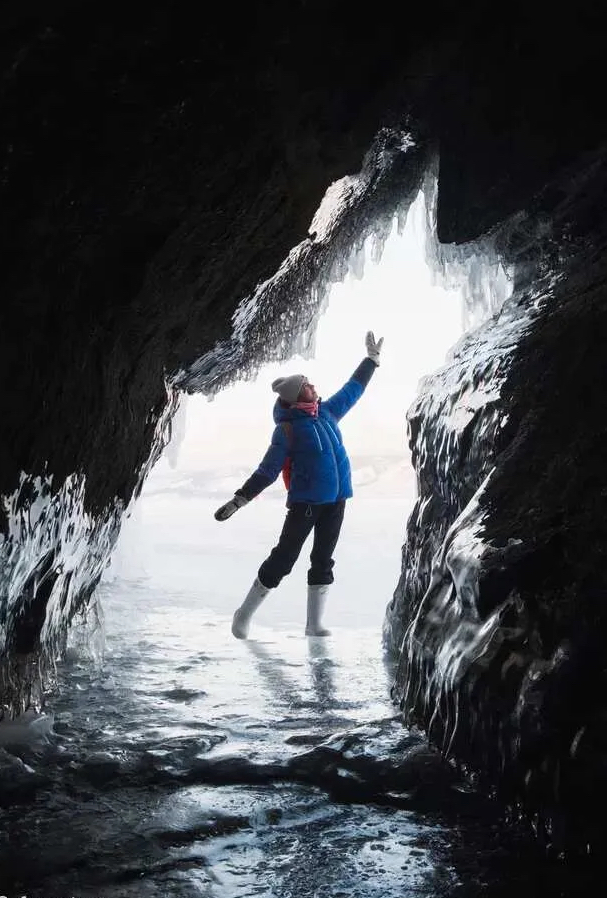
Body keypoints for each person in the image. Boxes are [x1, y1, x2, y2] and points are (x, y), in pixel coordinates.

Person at [214, 331, 383, 638]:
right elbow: (267, 470)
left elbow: (352, 390)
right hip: (305, 504)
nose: (313, 387)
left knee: (323, 560)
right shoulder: (287, 430)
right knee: (284, 559)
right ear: (295, 396)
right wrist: (240, 499)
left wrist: (370, 362)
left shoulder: (328, 413)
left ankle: (314, 625)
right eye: (307, 385)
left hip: (336, 501)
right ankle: (243, 615)